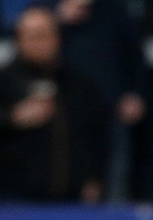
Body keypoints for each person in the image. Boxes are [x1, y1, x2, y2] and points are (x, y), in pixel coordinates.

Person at [0, 5, 108, 202]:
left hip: (71, 200)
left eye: (43, 35)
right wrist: (12, 118)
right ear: (18, 39)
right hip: (13, 201)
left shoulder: (79, 84)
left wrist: (95, 178)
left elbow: (97, 136)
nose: (38, 42)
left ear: (57, 38)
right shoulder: (4, 81)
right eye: (31, 35)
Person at [53, 0, 147, 202]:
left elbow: (135, 56)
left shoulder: (113, 10)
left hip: (110, 111)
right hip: (61, 115)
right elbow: (28, 52)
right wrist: (56, 20)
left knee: (114, 181)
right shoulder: (47, 9)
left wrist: (134, 94)